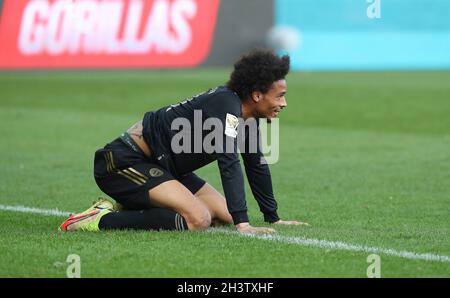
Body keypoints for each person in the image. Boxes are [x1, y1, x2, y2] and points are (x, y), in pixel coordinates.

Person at [59, 49, 308, 234]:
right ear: (256, 95)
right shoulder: (225, 104)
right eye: (280, 96)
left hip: (163, 168)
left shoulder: (247, 118)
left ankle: (129, 207)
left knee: (225, 216)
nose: (283, 103)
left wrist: (272, 217)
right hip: (123, 163)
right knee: (198, 220)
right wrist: (244, 224)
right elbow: (229, 162)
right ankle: (98, 220)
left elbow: (256, 166)